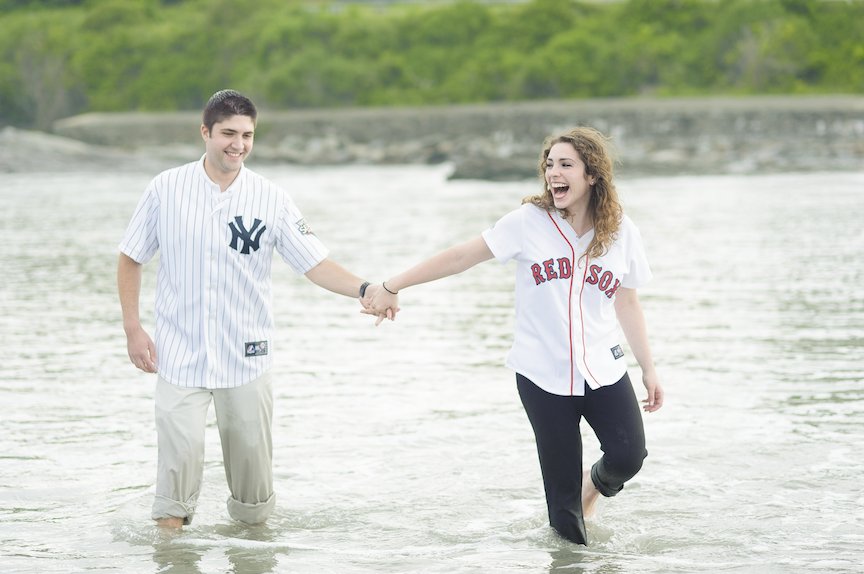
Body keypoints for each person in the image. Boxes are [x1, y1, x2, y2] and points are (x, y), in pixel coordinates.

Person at [364, 127, 664, 545]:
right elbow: (461, 256)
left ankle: (590, 486)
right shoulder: (528, 223)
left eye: (565, 165)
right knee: (565, 519)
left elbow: (627, 302)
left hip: (604, 369)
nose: (552, 173)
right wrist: (393, 284)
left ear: (592, 175)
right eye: (549, 164)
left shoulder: (621, 231)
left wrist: (649, 368)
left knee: (629, 456)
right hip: (543, 376)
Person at [117, 89, 384, 528]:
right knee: (172, 498)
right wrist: (133, 328)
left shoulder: (271, 198)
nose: (237, 144)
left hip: (247, 360)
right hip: (178, 358)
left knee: (253, 504)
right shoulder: (165, 188)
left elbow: (314, 264)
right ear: (205, 132)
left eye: (247, 135)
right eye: (227, 133)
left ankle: (253, 558)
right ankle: (172, 555)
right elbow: (131, 256)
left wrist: (366, 288)